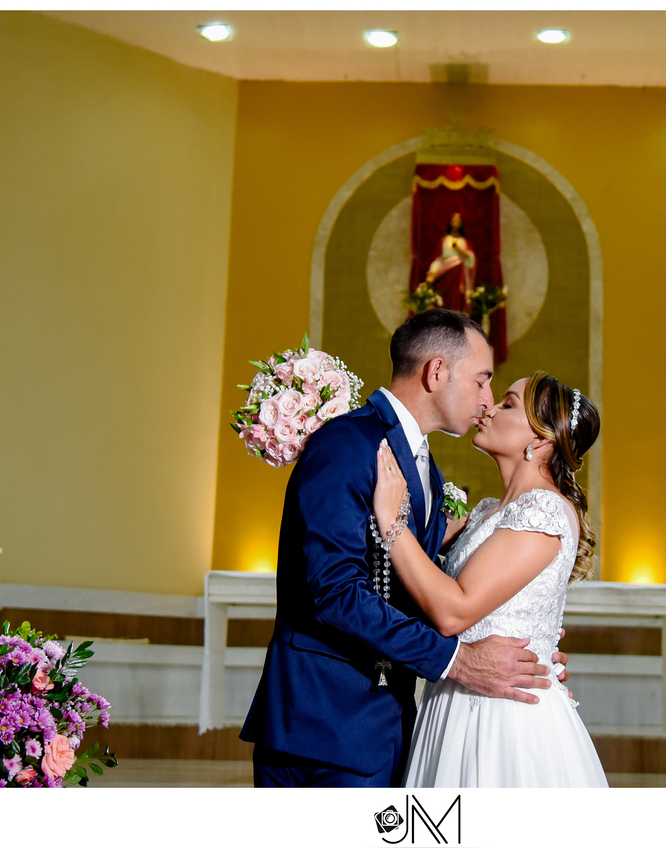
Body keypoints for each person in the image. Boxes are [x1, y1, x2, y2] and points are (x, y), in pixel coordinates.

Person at [240, 309, 567, 787]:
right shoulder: (348, 443)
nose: (487, 399)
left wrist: (531, 644)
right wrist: (459, 660)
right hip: (324, 726)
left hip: (387, 728)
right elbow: (335, 591)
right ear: (436, 372)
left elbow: (417, 589)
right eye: (481, 380)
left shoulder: (426, 470)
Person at [372, 371, 609, 786]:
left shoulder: (544, 512)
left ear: (541, 440)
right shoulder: (486, 511)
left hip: (504, 718)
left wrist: (392, 522)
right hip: (454, 699)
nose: (490, 408)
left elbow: (454, 611)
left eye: (508, 404)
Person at [423, 212, 475, 312]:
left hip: (459, 274)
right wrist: (433, 272)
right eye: (454, 221)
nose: (456, 223)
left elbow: (470, 259)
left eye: (458, 221)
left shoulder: (464, 241)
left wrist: (459, 249)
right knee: (445, 299)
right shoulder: (444, 240)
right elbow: (439, 258)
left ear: (461, 224)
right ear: (450, 223)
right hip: (446, 274)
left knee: (458, 297)